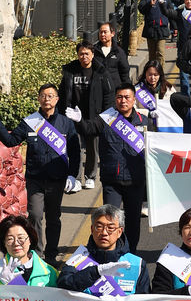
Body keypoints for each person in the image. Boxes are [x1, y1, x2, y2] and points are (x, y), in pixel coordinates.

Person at [0, 84, 80, 263]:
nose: (47, 99)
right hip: (35, 179)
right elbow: (11, 140)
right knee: (35, 215)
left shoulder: (66, 123)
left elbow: (74, 151)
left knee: (53, 217)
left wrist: (72, 175)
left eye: (51, 95)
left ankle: (52, 254)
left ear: (57, 99)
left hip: (57, 179)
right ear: (38, 99)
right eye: (43, 95)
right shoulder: (31, 121)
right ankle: (38, 253)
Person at [66, 85, 148, 252]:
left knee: (133, 221)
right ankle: (111, 252)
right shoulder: (106, 118)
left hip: (136, 180)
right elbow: (88, 129)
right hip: (112, 181)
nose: (123, 100)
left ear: (133, 100)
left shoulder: (144, 121)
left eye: (126, 97)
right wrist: (79, 122)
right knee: (110, 220)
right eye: (119, 97)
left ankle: (131, 252)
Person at [59, 40, 113, 190]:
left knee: (92, 148)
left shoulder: (101, 72)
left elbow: (109, 96)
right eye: (81, 54)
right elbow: (63, 94)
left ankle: (90, 176)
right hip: (72, 116)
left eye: (87, 54)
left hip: (93, 117)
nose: (84, 57)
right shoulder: (70, 71)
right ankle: (75, 178)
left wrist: (105, 116)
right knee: (74, 148)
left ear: (92, 54)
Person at [138, 0, 171, 66]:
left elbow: (170, 12)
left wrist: (174, 27)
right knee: (152, 55)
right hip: (150, 29)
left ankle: (161, 75)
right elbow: (141, 9)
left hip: (161, 29)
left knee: (160, 53)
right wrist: (149, 4)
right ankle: (151, 73)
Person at [134, 60, 175, 130]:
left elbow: (174, 107)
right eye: (150, 74)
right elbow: (132, 108)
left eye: (155, 75)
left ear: (160, 75)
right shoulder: (137, 89)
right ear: (145, 74)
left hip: (164, 126)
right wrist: (148, 113)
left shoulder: (169, 88)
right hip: (144, 125)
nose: (152, 78)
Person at [93, 22, 130, 91]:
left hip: (115, 89)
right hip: (98, 89)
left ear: (112, 33)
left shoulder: (118, 51)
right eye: (101, 32)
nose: (102, 34)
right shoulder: (94, 50)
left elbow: (124, 73)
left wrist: (127, 89)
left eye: (105, 32)